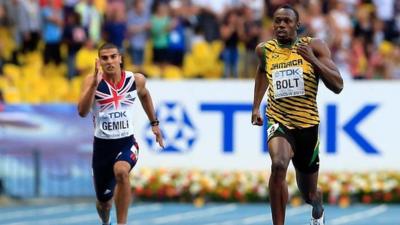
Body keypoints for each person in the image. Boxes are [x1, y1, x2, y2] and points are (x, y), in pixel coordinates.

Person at [251, 5, 343, 225]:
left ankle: (318, 208)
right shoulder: (264, 50)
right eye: (277, 21)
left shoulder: (314, 46)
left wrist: (313, 59)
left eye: (287, 21)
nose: (281, 25)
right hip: (279, 119)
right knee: (279, 164)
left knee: (309, 194)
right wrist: (256, 106)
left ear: (297, 25)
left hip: (307, 126)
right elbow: (262, 70)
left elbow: (338, 85)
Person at [78, 43, 164, 225]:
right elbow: (82, 112)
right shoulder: (91, 81)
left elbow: (145, 95)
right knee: (104, 203)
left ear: (120, 59)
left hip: (126, 142)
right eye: (105, 58)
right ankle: (106, 221)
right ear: (99, 61)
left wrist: (154, 123)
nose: (109, 61)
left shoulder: (135, 80)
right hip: (102, 148)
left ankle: (122, 223)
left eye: (113, 57)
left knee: (122, 172)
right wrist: (93, 85)